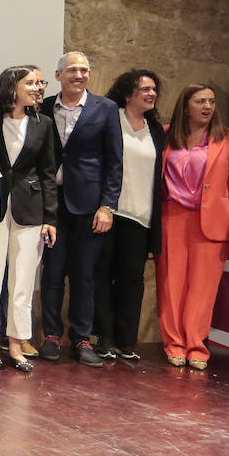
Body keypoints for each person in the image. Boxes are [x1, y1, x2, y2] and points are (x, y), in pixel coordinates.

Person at [154, 84, 229, 369]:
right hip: (171, 216)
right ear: (186, 106)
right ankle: (174, 343)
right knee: (171, 285)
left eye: (211, 101)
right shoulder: (165, 133)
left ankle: (197, 345)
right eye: (200, 101)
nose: (208, 106)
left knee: (203, 288)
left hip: (212, 220)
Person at [39, 52, 122, 367]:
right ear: (58, 75)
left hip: (90, 206)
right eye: (72, 69)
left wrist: (107, 205)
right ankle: (50, 336)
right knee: (53, 274)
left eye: (85, 70)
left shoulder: (106, 108)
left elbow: (115, 162)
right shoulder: (44, 107)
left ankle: (83, 338)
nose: (79, 74)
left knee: (85, 275)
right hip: (51, 204)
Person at [0, 65, 57, 372]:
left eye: (40, 83)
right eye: (31, 83)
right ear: (13, 87)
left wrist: (51, 217)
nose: (38, 88)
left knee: (22, 280)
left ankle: (18, 343)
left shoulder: (43, 123)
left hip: (30, 208)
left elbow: (48, 172)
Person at [93, 70, 165, 362]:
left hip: (141, 215)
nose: (151, 94)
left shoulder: (157, 130)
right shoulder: (111, 120)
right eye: (144, 89)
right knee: (101, 275)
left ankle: (126, 340)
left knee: (132, 280)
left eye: (153, 89)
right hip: (108, 211)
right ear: (127, 93)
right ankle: (104, 337)